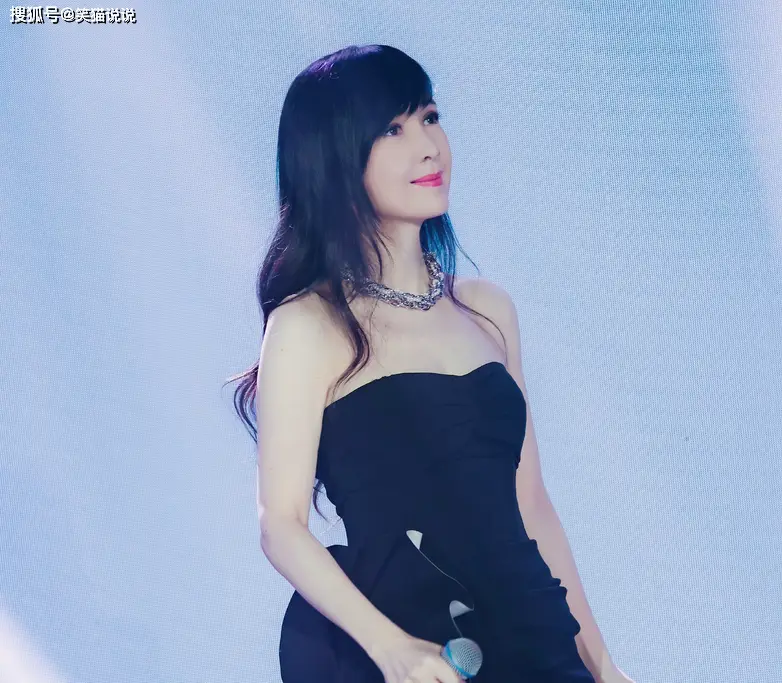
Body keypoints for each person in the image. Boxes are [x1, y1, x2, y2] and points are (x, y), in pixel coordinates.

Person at [226, 44, 636, 683]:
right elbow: (281, 525)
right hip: (415, 644)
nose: (428, 147)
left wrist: (604, 665)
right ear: (334, 156)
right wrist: (391, 649)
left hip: (535, 638)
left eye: (430, 118)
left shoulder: (487, 309)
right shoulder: (309, 324)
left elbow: (531, 507)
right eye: (392, 130)